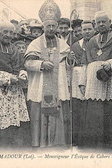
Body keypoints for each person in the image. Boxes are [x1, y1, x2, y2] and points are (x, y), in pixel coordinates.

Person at [24, 0, 72, 147]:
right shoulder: (35, 43)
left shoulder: (63, 44)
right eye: (48, 26)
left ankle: (56, 142)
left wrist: (70, 60)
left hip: (58, 85)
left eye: (53, 26)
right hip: (40, 85)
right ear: (43, 27)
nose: (51, 29)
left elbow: (69, 63)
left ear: (57, 27)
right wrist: (41, 64)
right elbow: (27, 63)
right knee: (39, 110)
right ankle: (39, 142)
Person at [79, 11, 112, 148]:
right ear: (95, 24)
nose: (101, 24)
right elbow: (85, 64)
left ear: (109, 22)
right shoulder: (91, 42)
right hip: (94, 86)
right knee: (95, 118)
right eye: (98, 22)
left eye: (104, 21)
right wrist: (82, 83)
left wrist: (110, 65)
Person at [70, 20, 96, 146]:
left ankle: (90, 140)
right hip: (77, 78)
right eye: (84, 30)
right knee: (78, 108)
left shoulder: (98, 43)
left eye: (89, 29)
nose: (86, 32)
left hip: (92, 77)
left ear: (94, 29)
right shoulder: (76, 45)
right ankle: (78, 139)